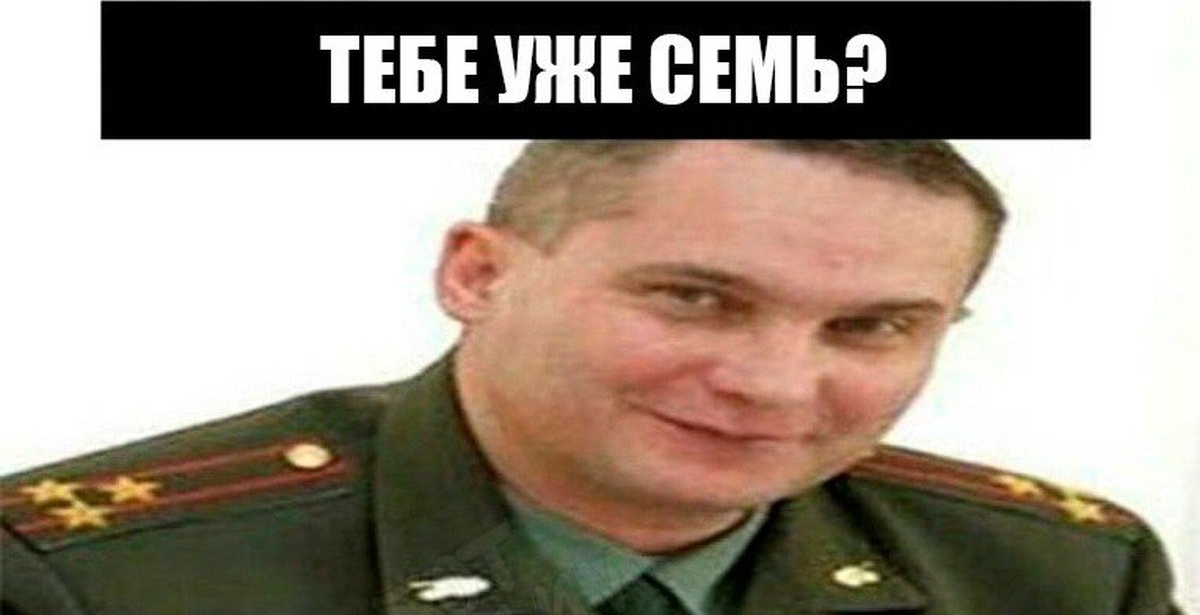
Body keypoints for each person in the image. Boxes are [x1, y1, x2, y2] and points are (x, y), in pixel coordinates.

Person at [0, 140, 1181, 614]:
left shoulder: (1061, 577)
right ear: (478, 273)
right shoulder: (86, 582)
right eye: (695, 297)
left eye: (870, 327)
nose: (775, 384)